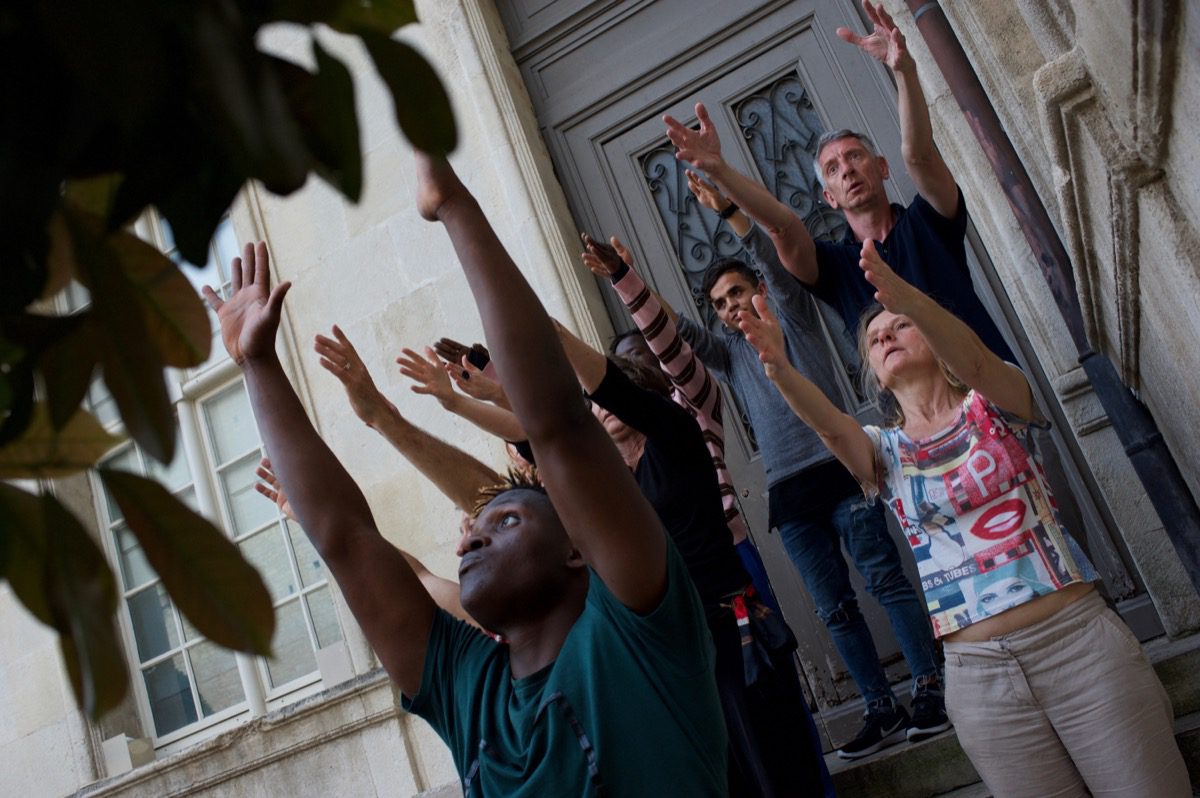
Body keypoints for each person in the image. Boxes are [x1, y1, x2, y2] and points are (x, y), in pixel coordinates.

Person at [203, 182, 728, 796]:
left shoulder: (639, 629)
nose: (471, 540)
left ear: (578, 549)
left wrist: (454, 206)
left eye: (506, 521)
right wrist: (258, 365)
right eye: (475, 529)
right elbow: (347, 539)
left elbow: (558, 423)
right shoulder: (465, 687)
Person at [738, 238, 1190, 797]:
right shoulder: (884, 451)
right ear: (875, 377)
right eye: (875, 340)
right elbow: (831, 428)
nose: (884, 336)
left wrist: (906, 296)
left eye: (899, 326)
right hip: (980, 681)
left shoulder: (995, 399)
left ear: (933, 336)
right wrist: (780, 370)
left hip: (1080, 648)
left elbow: (974, 358)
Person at [653, 170, 948, 758]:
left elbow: (769, 254)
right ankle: (879, 705)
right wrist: (625, 280)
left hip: (840, 470)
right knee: (832, 607)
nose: (731, 307)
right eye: (719, 304)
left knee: (886, 580)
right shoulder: (729, 354)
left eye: (737, 293)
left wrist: (729, 210)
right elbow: (675, 332)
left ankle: (929, 688)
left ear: (758, 290)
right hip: (789, 495)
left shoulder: (791, 313)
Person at [554, 321, 831, 797]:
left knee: (774, 760)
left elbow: (618, 392)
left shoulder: (676, 438)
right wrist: (476, 399)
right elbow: (545, 448)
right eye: (594, 405)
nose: (601, 408)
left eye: (607, 398)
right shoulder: (613, 482)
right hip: (676, 646)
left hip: (729, 632)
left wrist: (548, 330)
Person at [664, 0, 1014, 363]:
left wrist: (904, 71)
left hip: (990, 393)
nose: (846, 169)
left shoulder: (929, 222)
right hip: (916, 413)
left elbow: (919, 156)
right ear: (829, 197)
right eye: (832, 168)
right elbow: (782, 227)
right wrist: (719, 169)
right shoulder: (834, 267)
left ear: (881, 168)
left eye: (854, 157)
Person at [581, 232, 779, 612]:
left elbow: (669, 341)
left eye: (640, 360)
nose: (632, 374)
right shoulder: (609, 464)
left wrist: (626, 278)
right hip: (668, 588)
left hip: (726, 555)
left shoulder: (691, 403)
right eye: (622, 371)